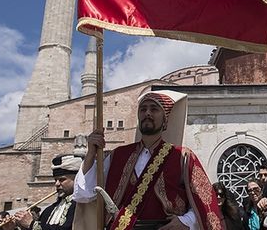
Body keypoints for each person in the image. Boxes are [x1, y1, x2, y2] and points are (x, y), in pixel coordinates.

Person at [72, 90, 224, 230]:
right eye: (143, 109)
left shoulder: (182, 157)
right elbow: (84, 193)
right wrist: (91, 153)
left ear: (165, 120)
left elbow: (206, 203)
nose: (147, 113)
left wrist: (186, 221)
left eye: (154, 109)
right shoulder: (118, 156)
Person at [13, 154, 82, 230]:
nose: (57, 184)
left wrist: (31, 224)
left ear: (77, 180)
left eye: (62, 179)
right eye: (55, 180)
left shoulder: (83, 206)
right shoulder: (48, 211)